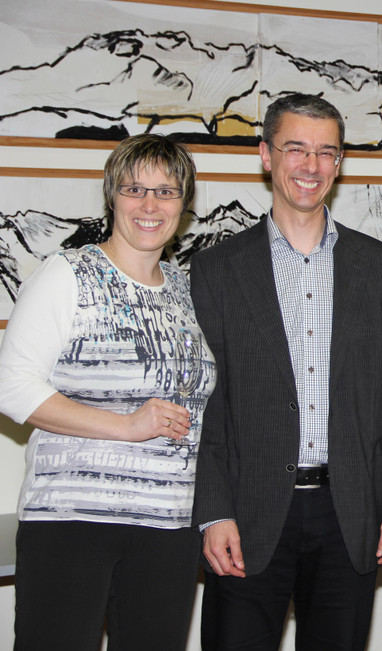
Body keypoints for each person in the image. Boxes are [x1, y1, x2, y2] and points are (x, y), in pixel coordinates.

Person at [189, 93, 382, 649]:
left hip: (351, 514)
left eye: (326, 152)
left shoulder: (381, 267)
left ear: (339, 163)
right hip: (247, 515)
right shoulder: (216, 269)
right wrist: (213, 512)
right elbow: (207, 405)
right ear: (266, 155)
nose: (311, 166)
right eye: (295, 148)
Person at [0, 134, 211, 650]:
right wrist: (125, 426)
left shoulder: (186, 290)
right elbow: (12, 386)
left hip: (169, 527)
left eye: (166, 191)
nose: (149, 205)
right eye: (134, 189)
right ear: (112, 196)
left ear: (183, 204)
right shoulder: (68, 274)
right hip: (74, 522)